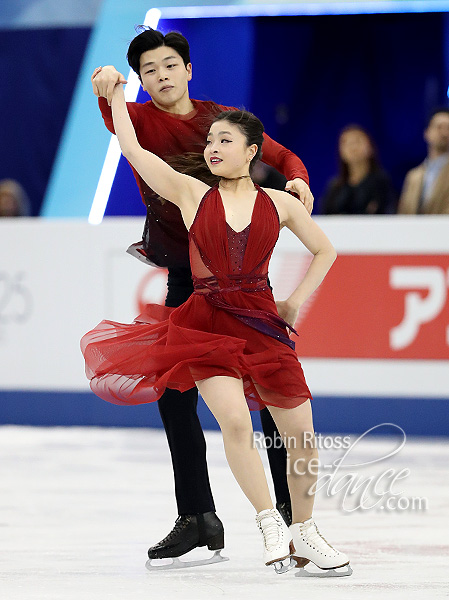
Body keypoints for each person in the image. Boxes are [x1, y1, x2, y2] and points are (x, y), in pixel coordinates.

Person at [81, 84, 351, 575]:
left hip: (264, 327)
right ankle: (268, 519)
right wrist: (118, 99)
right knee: (234, 421)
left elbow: (326, 250)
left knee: (302, 438)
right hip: (205, 325)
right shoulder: (191, 193)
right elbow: (133, 150)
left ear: (252, 151)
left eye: (225, 140)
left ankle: (305, 532)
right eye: (210, 140)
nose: (213, 147)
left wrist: (293, 302)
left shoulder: (280, 203)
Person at [321, 124, 396, 215]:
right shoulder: (335, 187)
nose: (353, 147)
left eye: (358, 141)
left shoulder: (381, 182)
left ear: (370, 147)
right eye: (347, 143)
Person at [398, 108, 449, 214]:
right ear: (427, 133)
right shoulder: (413, 176)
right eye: (439, 127)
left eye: (448, 128)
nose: (444, 133)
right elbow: (404, 212)